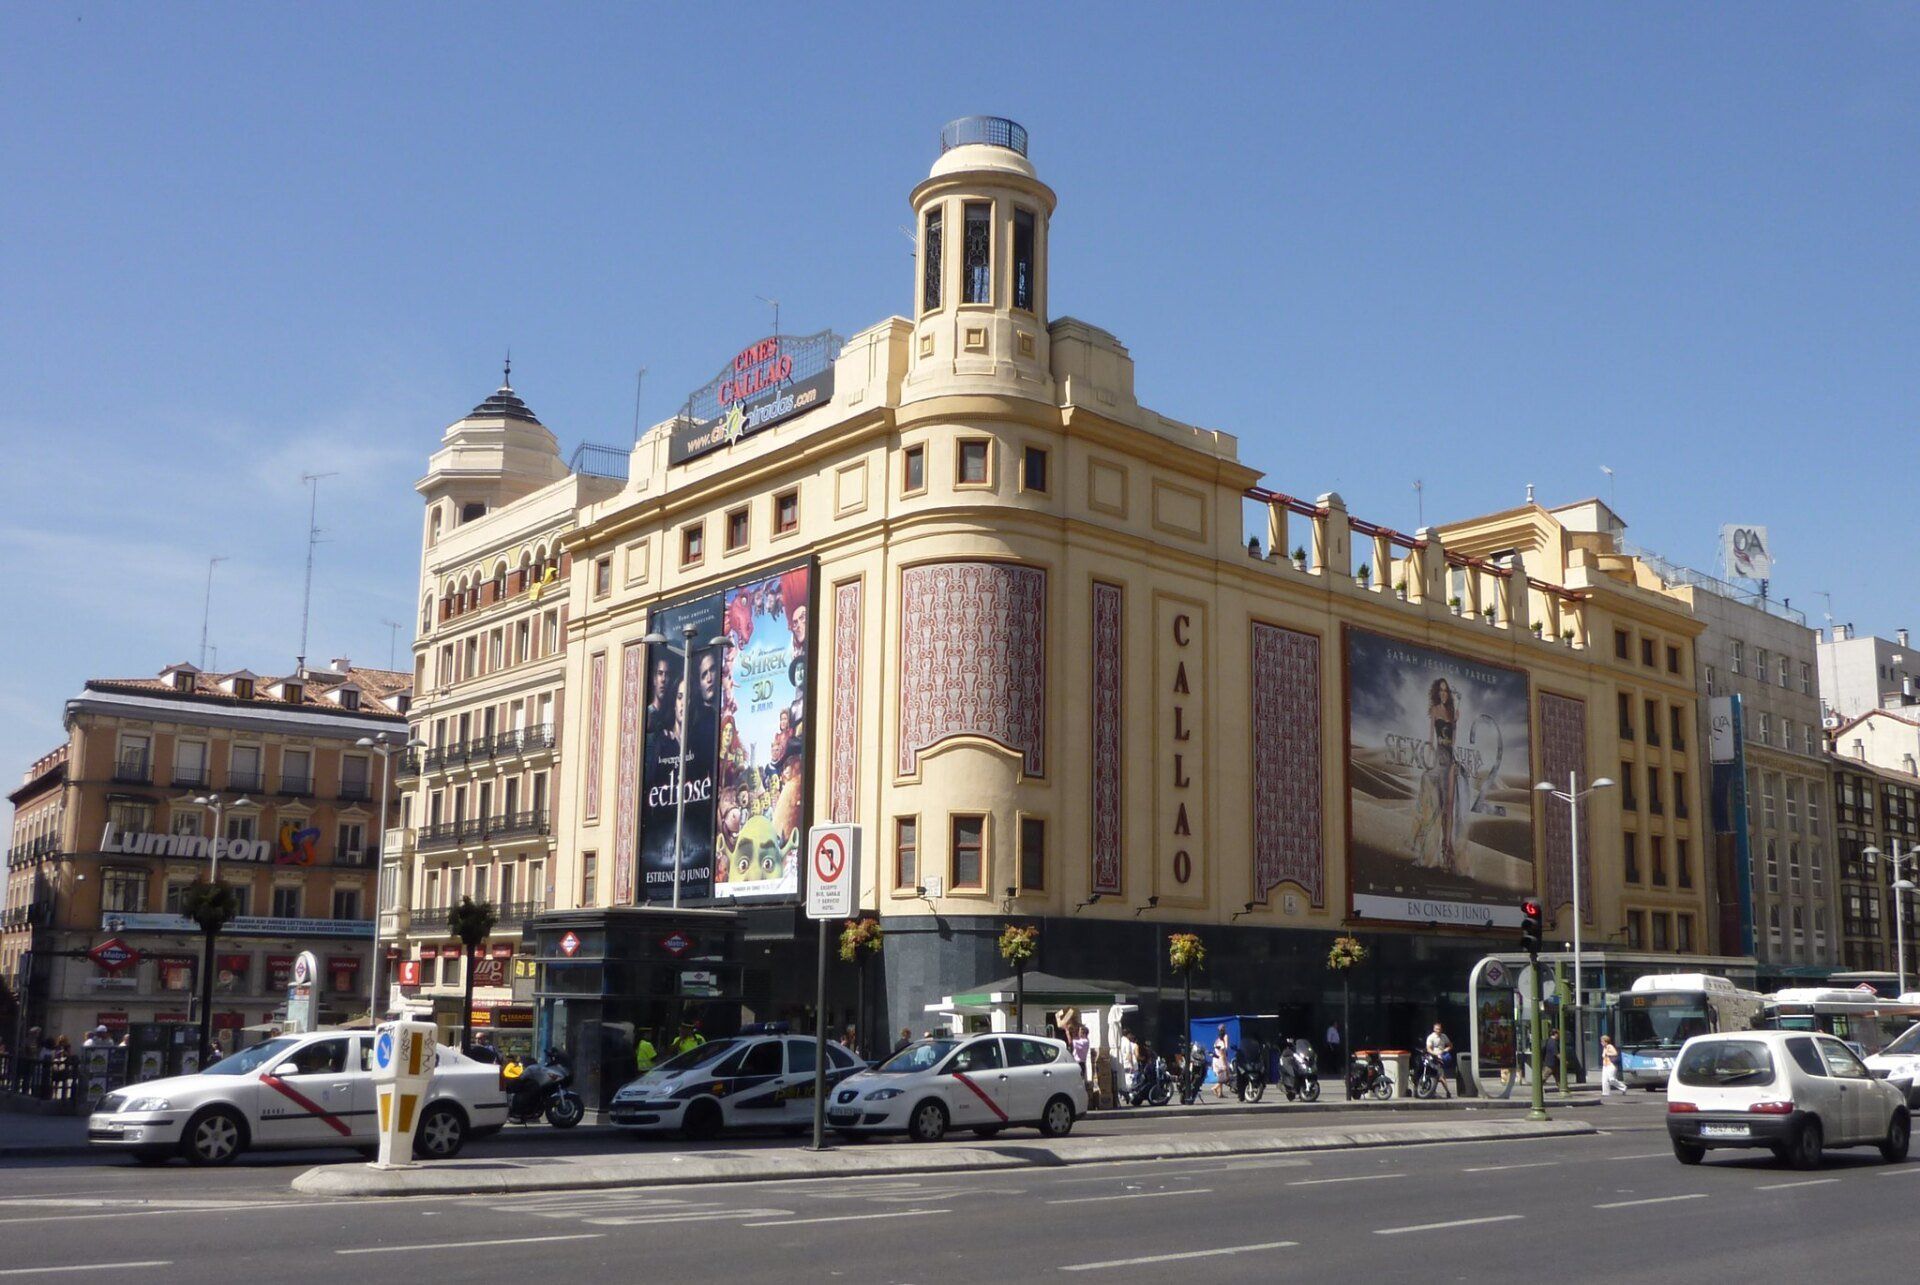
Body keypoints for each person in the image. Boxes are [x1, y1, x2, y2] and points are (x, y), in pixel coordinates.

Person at [1211, 1025, 1232, 1099]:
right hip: (1220, 1060)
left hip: (1215, 1060)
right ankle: (1214, 1088)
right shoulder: (1222, 1043)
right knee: (1225, 1077)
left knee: (1221, 1076)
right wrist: (1225, 1065)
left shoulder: (1217, 1041)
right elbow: (1222, 1055)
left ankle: (1220, 1093)